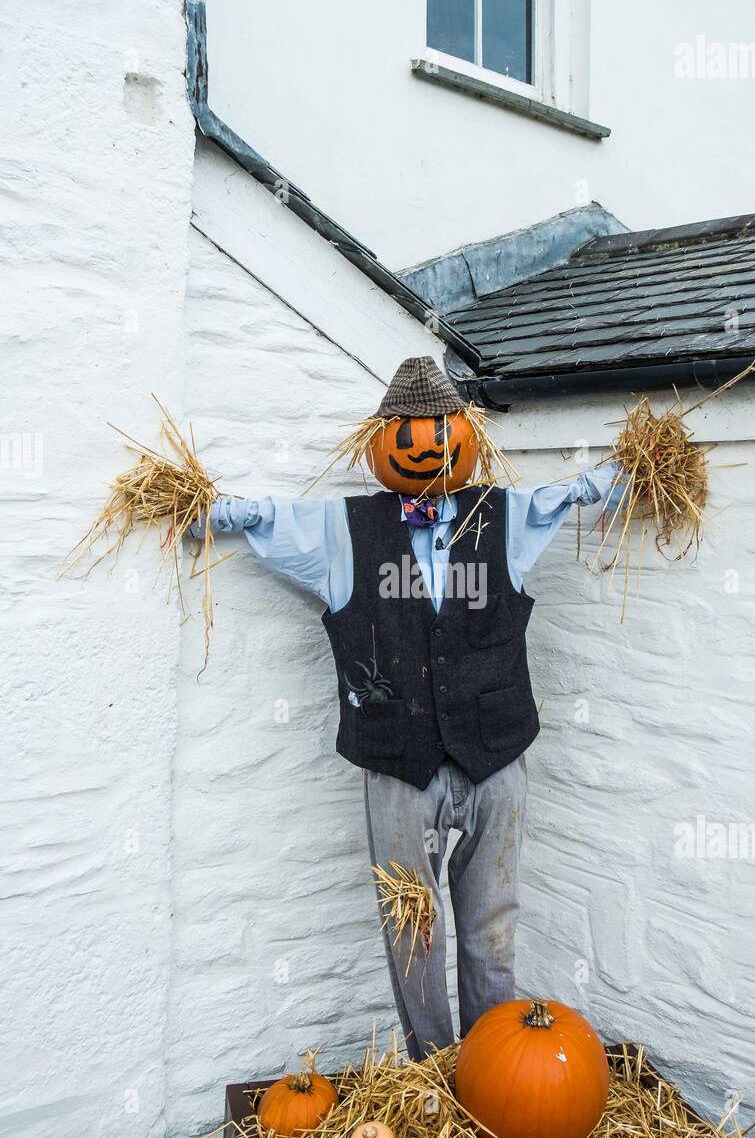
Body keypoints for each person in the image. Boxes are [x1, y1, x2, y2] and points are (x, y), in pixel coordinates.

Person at [192, 357, 624, 1059]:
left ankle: (494, 1064)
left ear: (465, 433)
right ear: (384, 441)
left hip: (497, 753)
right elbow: (267, 518)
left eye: (440, 430)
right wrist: (210, 510)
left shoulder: (501, 518)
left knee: (492, 923)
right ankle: (432, 1068)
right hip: (397, 761)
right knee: (411, 925)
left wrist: (626, 473)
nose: (427, 443)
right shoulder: (343, 530)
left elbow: (565, 498)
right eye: (409, 432)